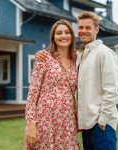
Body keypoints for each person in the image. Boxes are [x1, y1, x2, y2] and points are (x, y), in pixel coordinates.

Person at [35, 11, 118, 150]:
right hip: (86, 127)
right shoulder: (79, 55)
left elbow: (112, 90)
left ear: (96, 29)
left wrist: (102, 120)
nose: (83, 31)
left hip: (102, 126)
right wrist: (41, 54)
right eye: (80, 28)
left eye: (88, 28)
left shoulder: (104, 53)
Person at [24, 19, 79, 150]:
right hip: (45, 120)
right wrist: (31, 124)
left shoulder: (76, 60)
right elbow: (32, 95)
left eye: (67, 32)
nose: (63, 36)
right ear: (53, 37)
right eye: (59, 33)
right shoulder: (44, 58)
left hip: (67, 122)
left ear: (72, 35)